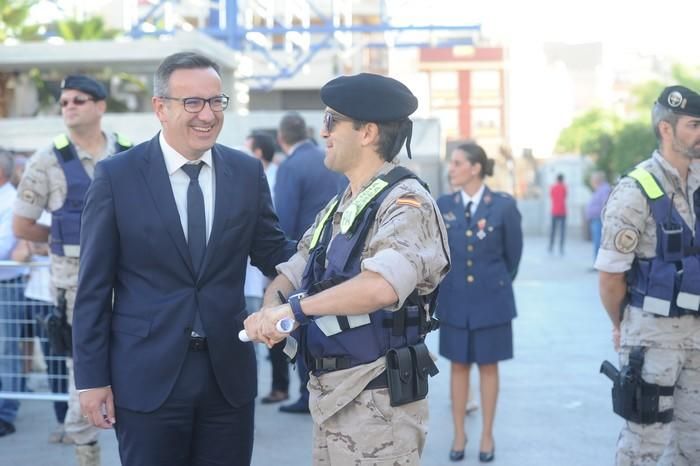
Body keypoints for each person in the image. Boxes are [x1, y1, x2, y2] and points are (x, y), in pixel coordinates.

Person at [71, 52, 295, 466]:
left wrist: (337, 254)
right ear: (161, 107)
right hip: (145, 378)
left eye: (215, 101)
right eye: (192, 102)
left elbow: (275, 253)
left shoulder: (246, 172)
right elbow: (93, 289)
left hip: (228, 375)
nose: (207, 115)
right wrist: (91, 380)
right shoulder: (117, 176)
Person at [244, 72, 450, 465]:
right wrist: (270, 309)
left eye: (330, 121)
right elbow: (296, 266)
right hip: (333, 396)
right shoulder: (345, 203)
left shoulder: (406, 203)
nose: (323, 132)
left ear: (367, 132)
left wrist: (294, 311)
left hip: (378, 402)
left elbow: (380, 287)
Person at [12, 74, 131, 464]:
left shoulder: (130, 152)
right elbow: (22, 224)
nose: (69, 107)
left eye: (79, 100)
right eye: (64, 102)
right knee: (86, 373)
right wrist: (69, 236)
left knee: (141, 361)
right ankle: (86, 452)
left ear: (100, 106)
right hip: (75, 287)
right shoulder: (47, 159)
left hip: (131, 281)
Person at [596, 85, 700, 466]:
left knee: (693, 446)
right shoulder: (635, 189)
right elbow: (610, 276)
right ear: (666, 130)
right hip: (651, 336)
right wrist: (620, 324)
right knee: (644, 445)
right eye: (693, 125)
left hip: (698, 337)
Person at [436, 143, 523, 463]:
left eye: (457, 163)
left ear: (475, 168)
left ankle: (487, 434)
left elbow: (513, 257)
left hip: (492, 301)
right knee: (458, 366)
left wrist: (493, 285)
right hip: (455, 300)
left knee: (489, 366)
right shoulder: (443, 204)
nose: (451, 168)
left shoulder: (502, 206)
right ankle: (459, 432)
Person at [273, 112, 346, 414]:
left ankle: (307, 395)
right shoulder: (327, 156)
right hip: (339, 255)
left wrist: (281, 268)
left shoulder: (291, 166)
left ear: (281, 138)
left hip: (306, 258)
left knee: (304, 327)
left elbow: (285, 219)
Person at [243, 131, 289, 404]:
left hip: (267, 273)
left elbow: (273, 238)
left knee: (266, 334)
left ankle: (276, 387)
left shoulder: (270, 179)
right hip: (258, 277)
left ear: (258, 153)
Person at [0, 152, 27, 438]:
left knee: (7, 351)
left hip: (6, 287)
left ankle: (5, 413)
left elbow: (4, 247)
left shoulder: (11, 201)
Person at [586, 171, 611, 262]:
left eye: (592, 180)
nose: (591, 182)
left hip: (599, 219)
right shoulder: (600, 189)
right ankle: (597, 262)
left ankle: (599, 263)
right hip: (595, 219)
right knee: (597, 241)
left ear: (597, 180)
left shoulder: (604, 189)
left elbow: (604, 205)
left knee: (599, 242)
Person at [548, 173, 567, 254]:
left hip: (554, 211)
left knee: (553, 230)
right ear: (562, 179)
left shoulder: (553, 187)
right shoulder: (564, 187)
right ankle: (561, 247)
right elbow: (565, 196)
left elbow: (551, 196)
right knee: (562, 231)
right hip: (563, 211)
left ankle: (551, 246)